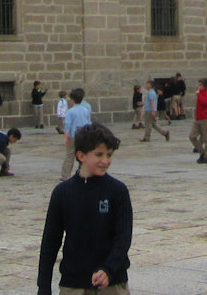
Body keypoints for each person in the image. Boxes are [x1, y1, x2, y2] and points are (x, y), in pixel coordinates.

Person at [37, 122, 132, 295]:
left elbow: (123, 238)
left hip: (112, 284)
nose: (106, 161)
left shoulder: (118, 191)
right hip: (74, 284)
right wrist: (43, 286)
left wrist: (108, 269)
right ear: (81, 156)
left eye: (109, 155)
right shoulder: (62, 193)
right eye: (99, 154)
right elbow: (50, 241)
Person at [60, 87, 94, 181]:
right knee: (83, 155)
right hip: (84, 136)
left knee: (70, 156)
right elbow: (89, 123)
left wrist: (65, 137)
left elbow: (67, 126)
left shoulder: (70, 111)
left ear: (72, 100)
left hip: (73, 136)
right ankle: (84, 173)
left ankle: (65, 176)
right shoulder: (85, 110)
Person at [190, 78, 207, 162]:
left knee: (205, 139)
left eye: (200, 85)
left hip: (204, 118)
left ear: (204, 86)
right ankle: (202, 152)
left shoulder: (206, 94)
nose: (198, 86)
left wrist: (198, 95)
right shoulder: (200, 93)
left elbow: (204, 102)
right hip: (198, 118)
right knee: (192, 136)